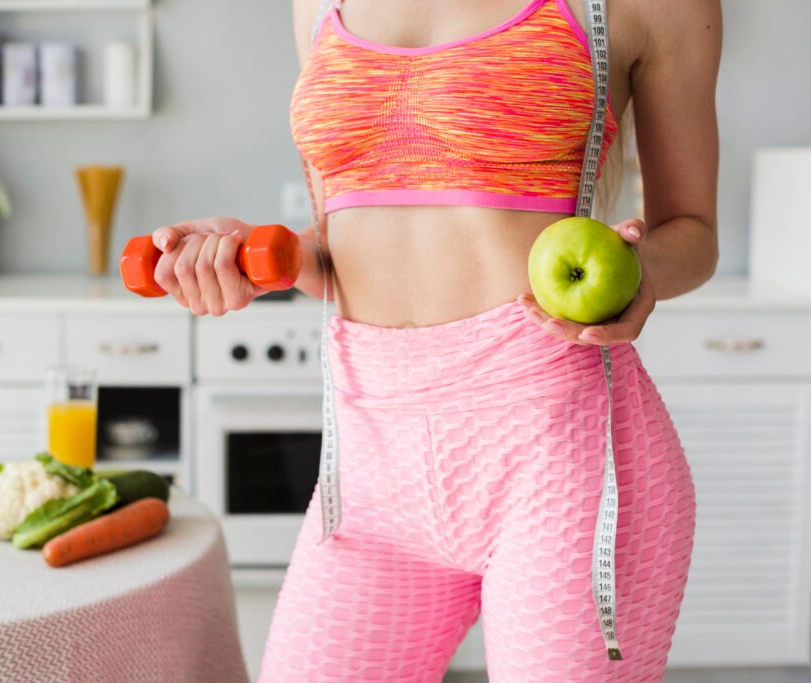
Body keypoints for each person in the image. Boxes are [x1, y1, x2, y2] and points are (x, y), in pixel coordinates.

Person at [150, 0, 721, 680]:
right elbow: (352, 237)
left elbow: (691, 229)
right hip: (371, 466)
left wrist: (639, 270)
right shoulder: (317, 5)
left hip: (562, 455)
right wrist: (249, 256)